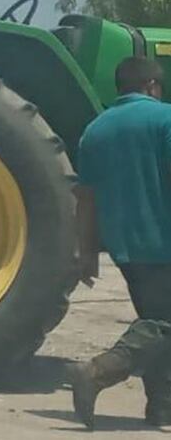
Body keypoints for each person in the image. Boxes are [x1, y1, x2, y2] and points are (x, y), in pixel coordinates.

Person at [70, 56, 171, 429]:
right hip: (164, 240)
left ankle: (161, 409)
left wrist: (86, 253)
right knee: (162, 323)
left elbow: (86, 198)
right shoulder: (166, 119)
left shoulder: (95, 130)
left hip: (124, 247)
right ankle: (97, 372)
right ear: (152, 87)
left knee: (155, 322)